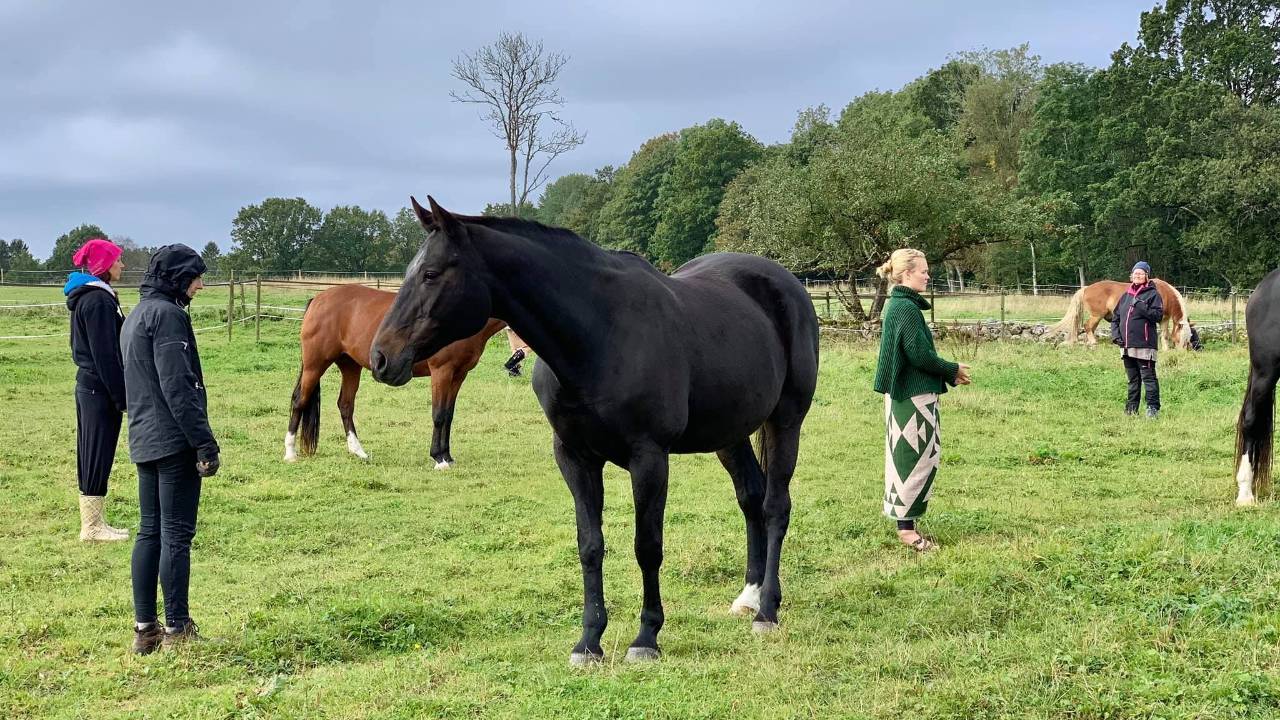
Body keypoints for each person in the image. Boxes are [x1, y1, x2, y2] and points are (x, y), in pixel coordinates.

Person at [121, 245, 220, 654]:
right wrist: (203, 441)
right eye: (195, 277)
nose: (200, 285)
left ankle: (146, 629)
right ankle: (178, 627)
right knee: (176, 534)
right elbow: (178, 385)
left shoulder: (135, 315)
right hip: (173, 439)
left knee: (150, 531)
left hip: (144, 437)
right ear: (177, 278)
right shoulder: (169, 316)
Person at [872, 249, 971, 553]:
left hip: (908, 393)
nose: (928, 276)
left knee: (913, 455)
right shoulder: (904, 308)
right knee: (912, 458)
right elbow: (919, 354)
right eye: (923, 271)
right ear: (906, 274)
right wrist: (951, 369)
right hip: (911, 395)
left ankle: (907, 524)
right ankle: (906, 530)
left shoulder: (901, 305)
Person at [64, 238, 129, 541]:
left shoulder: (95, 297)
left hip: (92, 385)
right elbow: (106, 355)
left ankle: (95, 521)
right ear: (105, 265)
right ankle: (91, 527)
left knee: (96, 451)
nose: (122, 265)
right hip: (98, 388)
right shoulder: (98, 301)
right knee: (95, 452)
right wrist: (121, 396)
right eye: (118, 260)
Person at [1111, 261, 1163, 419]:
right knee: (1133, 380)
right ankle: (1131, 409)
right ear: (1131, 275)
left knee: (1148, 378)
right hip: (1126, 346)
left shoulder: (1153, 295)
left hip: (1144, 346)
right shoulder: (1126, 296)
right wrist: (1116, 335)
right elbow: (1116, 318)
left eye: (1141, 273)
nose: (1137, 275)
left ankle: (1152, 409)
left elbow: (1157, 316)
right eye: (1135, 273)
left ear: (1147, 276)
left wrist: (1140, 305)